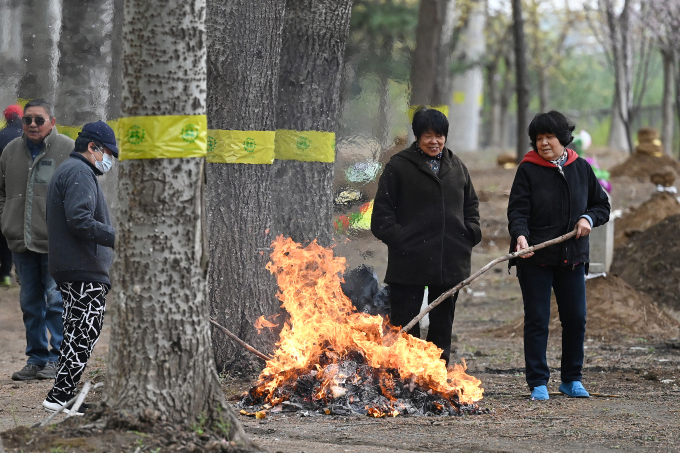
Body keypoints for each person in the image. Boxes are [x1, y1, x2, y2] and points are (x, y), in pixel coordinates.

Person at [507, 111, 611, 401]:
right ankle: (538, 382)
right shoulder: (527, 170)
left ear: (563, 138)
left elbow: (602, 206)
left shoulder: (581, 169)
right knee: (538, 319)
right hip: (535, 258)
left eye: (549, 137)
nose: (543, 143)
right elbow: (517, 211)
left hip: (572, 257)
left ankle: (571, 379)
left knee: (576, 318)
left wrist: (588, 218)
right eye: (538, 138)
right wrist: (521, 237)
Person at [371, 107, 481, 366]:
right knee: (406, 325)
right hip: (409, 262)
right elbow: (381, 219)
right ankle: (407, 377)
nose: (435, 141)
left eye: (440, 135)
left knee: (442, 326)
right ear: (417, 137)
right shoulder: (399, 166)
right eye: (428, 135)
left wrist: (470, 233)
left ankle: (437, 378)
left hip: (449, 261)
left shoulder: (456, 167)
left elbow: (471, 206)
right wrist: (404, 241)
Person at [42, 121, 117, 413]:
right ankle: (60, 396)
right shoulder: (79, 172)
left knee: (78, 329)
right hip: (81, 267)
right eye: (108, 152)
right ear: (92, 147)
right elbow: (80, 220)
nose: (109, 159)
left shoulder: (73, 171)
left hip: (75, 266)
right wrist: (118, 238)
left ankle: (61, 393)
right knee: (84, 329)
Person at [0, 99, 73, 381]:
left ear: (52, 122)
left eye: (39, 120)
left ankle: (57, 358)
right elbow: (2, 191)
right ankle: (36, 358)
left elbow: (78, 190)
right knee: (30, 303)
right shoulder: (11, 150)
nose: (32, 124)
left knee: (55, 302)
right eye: (27, 119)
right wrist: (6, 220)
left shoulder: (67, 148)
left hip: (55, 242)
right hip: (21, 241)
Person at [0, 104, 24, 287]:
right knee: (21, 230)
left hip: (1, 190)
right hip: (20, 190)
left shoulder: (1, 135)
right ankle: (22, 272)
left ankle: (5, 273)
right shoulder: (26, 136)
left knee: (3, 230)